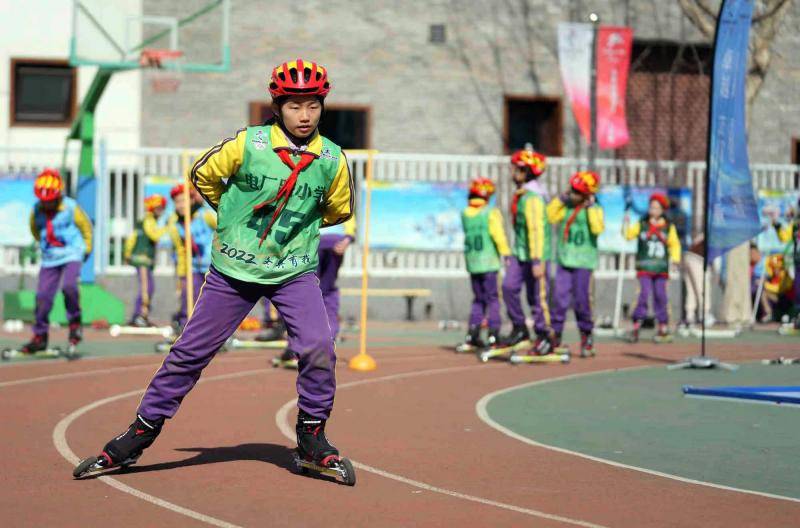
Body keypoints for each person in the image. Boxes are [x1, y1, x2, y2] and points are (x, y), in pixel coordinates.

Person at [75, 59, 354, 477]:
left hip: (292, 271)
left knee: (318, 348)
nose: (304, 115)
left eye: (312, 105)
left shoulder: (331, 158)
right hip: (234, 271)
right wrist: (233, 218)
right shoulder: (248, 144)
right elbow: (203, 175)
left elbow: (337, 209)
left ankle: (312, 438)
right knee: (190, 353)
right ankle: (138, 434)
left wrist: (294, 232)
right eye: (294, 105)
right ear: (277, 106)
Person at [21, 169, 92, 353]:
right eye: (43, 201)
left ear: (58, 196)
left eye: (50, 201)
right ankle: (40, 336)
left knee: (69, 287)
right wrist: (46, 248)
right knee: (43, 297)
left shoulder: (70, 207)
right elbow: (35, 230)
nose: (47, 205)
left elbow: (85, 227)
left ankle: (75, 324)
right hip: (50, 258)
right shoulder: (36, 210)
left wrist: (87, 249)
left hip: (72, 254)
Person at [272, 215, 355, 366]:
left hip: (315, 241)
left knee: (309, 292)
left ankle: (298, 349)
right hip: (329, 240)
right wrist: (348, 238)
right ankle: (316, 349)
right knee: (320, 292)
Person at [546, 171, 604, 357]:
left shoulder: (594, 209)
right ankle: (555, 336)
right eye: (572, 190)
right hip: (564, 260)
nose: (573, 194)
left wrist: (591, 208)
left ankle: (586, 336)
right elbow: (549, 216)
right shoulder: (565, 207)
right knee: (559, 300)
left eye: (577, 192)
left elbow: (597, 228)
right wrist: (560, 199)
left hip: (584, 262)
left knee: (581, 301)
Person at [501, 146, 548, 348]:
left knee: (536, 297)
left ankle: (545, 335)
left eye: (516, 169)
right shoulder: (521, 195)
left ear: (526, 172)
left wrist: (537, 260)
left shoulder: (533, 198)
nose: (512, 173)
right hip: (520, 254)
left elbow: (536, 230)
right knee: (509, 287)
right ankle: (520, 328)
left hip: (535, 255)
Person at [623, 192, 681, 342]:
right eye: (651, 207)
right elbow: (628, 235)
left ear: (662, 210)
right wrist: (626, 222)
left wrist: (675, 259)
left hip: (661, 269)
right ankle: (637, 323)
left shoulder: (668, 227)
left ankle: (663, 325)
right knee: (643, 293)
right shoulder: (642, 224)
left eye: (656, 208)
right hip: (644, 267)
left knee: (661, 296)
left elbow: (674, 244)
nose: (653, 210)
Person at [460, 177, 510, 349]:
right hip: (489, 263)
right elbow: (498, 235)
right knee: (493, 299)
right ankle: (493, 334)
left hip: (473, 263)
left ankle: (472, 334)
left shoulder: (465, 213)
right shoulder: (490, 213)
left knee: (478, 299)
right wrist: (506, 252)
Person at [169, 184, 217, 332]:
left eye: (184, 200)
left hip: (213, 266)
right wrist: (182, 274)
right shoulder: (175, 222)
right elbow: (180, 250)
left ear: (191, 200)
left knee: (213, 300)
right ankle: (187, 329)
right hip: (193, 267)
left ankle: (214, 331)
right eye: (177, 202)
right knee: (189, 297)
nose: (181, 205)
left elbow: (224, 229)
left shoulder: (205, 215)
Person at [123, 194, 168, 327]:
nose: (161, 211)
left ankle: (141, 315)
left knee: (149, 287)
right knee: (146, 288)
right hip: (142, 259)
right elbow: (153, 235)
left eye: (162, 208)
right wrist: (167, 228)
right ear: (152, 208)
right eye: (158, 208)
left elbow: (132, 237)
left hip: (145, 260)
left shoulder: (146, 220)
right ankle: (140, 315)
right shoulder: (148, 220)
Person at [773, 200, 800, 327]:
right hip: (798, 261)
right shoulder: (795, 224)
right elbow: (784, 237)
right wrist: (777, 224)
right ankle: (796, 318)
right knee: (797, 290)